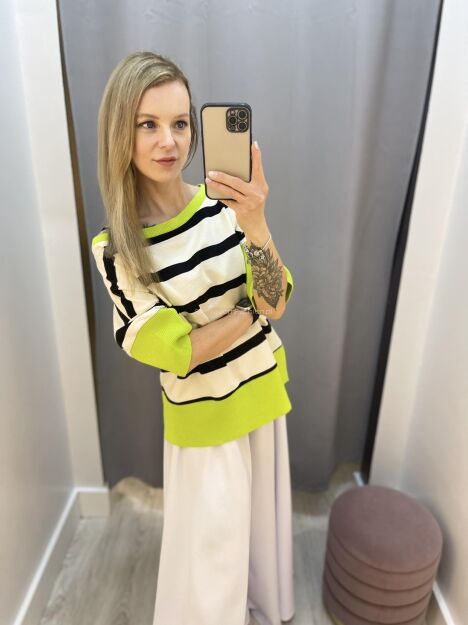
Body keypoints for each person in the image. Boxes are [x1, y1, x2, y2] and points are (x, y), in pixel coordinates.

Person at [91, 51, 295, 625]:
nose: (169, 141)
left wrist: (256, 222)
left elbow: (277, 299)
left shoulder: (224, 207)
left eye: (180, 123)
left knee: (258, 544)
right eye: (148, 124)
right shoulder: (118, 249)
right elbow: (176, 351)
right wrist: (249, 315)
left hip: (261, 396)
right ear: (120, 134)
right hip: (204, 421)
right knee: (210, 569)